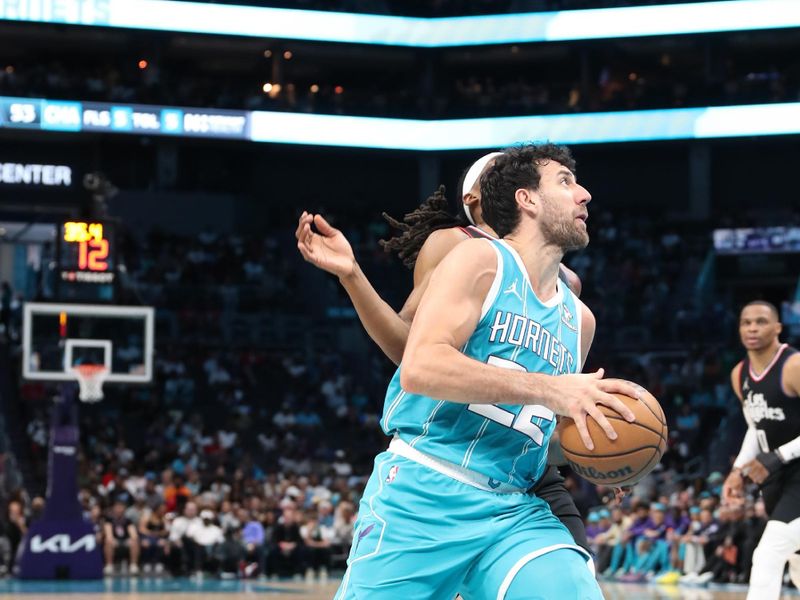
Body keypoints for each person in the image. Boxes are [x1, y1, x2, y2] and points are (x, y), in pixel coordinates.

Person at [324, 143, 640, 599]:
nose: (585, 194)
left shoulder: (580, 320)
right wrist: (553, 390)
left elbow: (534, 434)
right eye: (566, 182)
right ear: (525, 199)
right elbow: (420, 365)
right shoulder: (476, 258)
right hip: (427, 492)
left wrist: (600, 453)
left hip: (514, 509)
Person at [295, 151, 591, 556]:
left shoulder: (567, 286)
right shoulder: (457, 244)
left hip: (525, 467)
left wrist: (605, 455)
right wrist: (353, 275)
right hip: (454, 453)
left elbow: (551, 420)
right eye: (497, 176)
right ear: (475, 200)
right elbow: (410, 350)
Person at [721, 300, 800, 600]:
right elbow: (756, 428)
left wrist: (777, 457)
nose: (752, 328)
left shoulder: (793, 365)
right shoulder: (739, 374)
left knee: (768, 553)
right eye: (746, 322)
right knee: (797, 564)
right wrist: (737, 472)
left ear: (778, 327)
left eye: (761, 321)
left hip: (794, 471)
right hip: (776, 477)